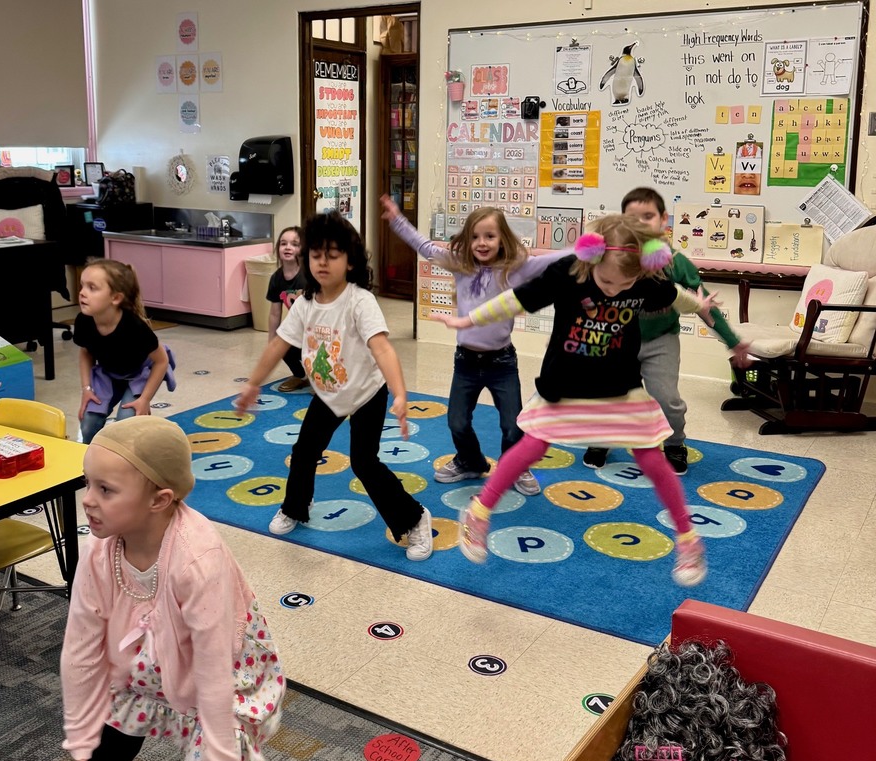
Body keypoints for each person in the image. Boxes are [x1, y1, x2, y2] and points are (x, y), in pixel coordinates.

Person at [61, 415, 284, 761]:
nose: (88, 500)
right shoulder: (100, 549)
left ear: (159, 500)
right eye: (87, 484)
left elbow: (212, 670)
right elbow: (79, 645)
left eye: (105, 489)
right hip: (142, 662)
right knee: (99, 753)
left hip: (220, 673)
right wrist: (80, 728)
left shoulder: (197, 558)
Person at [434, 213, 717, 586]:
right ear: (592, 258)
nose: (614, 291)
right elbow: (516, 300)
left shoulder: (645, 278)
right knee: (531, 446)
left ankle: (688, 539)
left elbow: (674, 296)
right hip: (565, 383)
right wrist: (468, 321)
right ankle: (479, 513)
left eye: (625, 284)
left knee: (650, 455)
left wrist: (700, 306)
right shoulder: (568, 272)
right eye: (607, 282)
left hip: (619, 385)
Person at [234, 211, 433, 561]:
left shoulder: (360, 301)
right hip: (328, 394)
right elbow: (278, 344)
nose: (323, 262)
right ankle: (296, 506)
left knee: (364, 463)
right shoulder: (305, 303)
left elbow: (382, 348)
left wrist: (400, 393)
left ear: (350, 261)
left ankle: (414, 518)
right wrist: (253, 383)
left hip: (367, 392)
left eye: (333, 255)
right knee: (304, 451)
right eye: (316, 255)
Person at [381, 195, 569, 496]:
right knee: (456, 421)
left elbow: (556, 259)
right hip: (466, 362)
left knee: (513, 424)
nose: (482, 243)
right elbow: (425, 247)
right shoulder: (461, 264)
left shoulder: (515, 268)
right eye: (475, 237)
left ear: (502, 239)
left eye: (490, 236)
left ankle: (514, 466)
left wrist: (594, 248)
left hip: (502, 363)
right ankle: (470, 461)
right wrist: (398, 221)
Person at [582, 187, 753, 474]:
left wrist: (733, 342)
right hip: (618, 341)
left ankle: (675, 444)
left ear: (663, 220)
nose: (640, 223)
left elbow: (703, 305)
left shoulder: (674, 261)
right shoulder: (612, 259)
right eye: (632, 218)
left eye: (648, 216)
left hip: (661, 341)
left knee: (666, 398)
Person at [73, 259, 175, 443]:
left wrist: (145, 399)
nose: (82, 292)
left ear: (115, 298)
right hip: (109, 374)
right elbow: (86, 353)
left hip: (139, 374)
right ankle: (90, 457)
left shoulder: (135, 327)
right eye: (82, 285)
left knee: (125, 425)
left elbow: (161, 361)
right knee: (88, 425)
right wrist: (86, 389)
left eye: (92, 288)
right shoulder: (84, 320)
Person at [266, 225, 310, 392]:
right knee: (280, 343)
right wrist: (272, 340)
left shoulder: (308, 276)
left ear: (302, 249)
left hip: (317, 330)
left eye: (294, 244)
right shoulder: (276, 278)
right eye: (283, 243)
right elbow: (274, 312)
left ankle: (322, 379)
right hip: (298, 329)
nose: (288, 247)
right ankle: (300, 376)